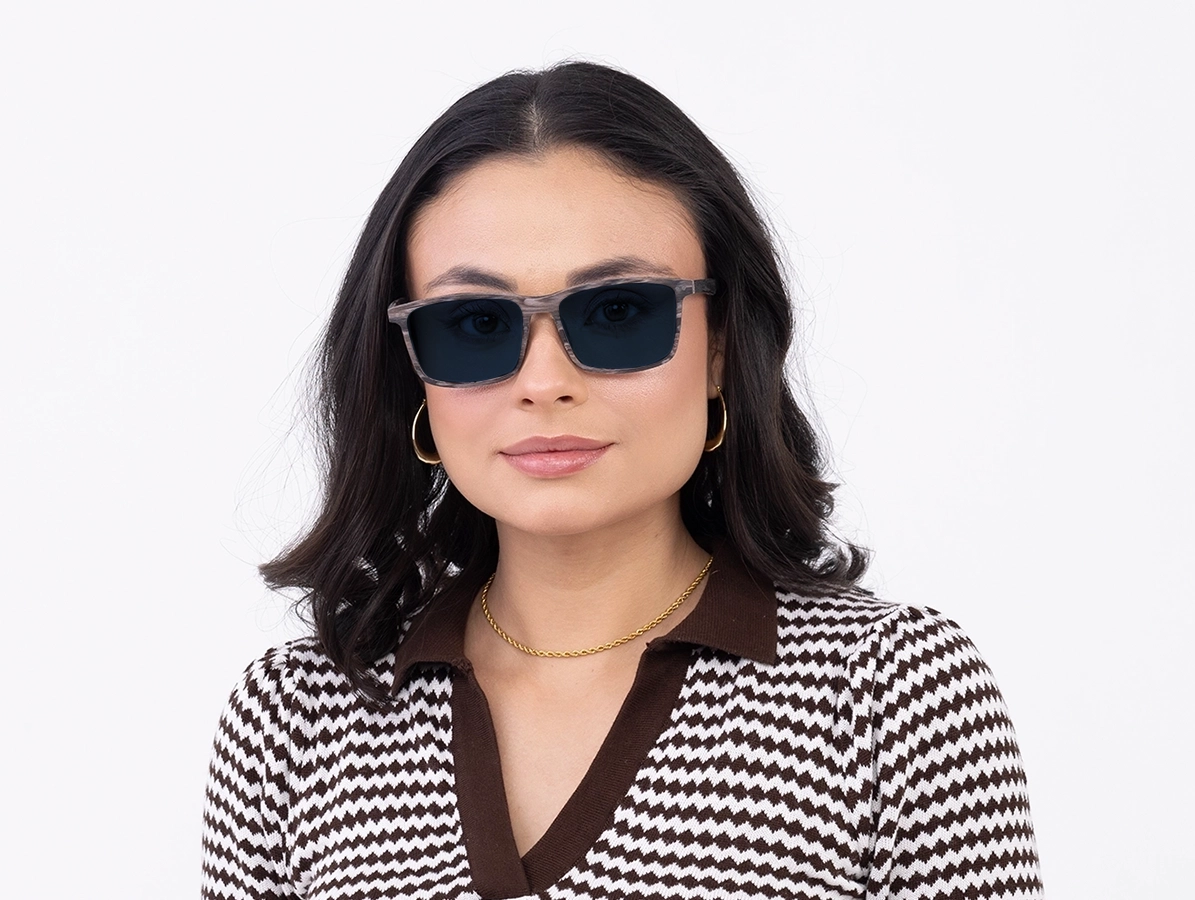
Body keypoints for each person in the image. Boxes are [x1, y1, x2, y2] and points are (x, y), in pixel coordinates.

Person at [201, 62, 1043, 899]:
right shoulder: (293, 720)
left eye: (617, 313)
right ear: (411, 371)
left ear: (719, 349)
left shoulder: (891, 692)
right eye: (475, 324)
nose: (544, 383)